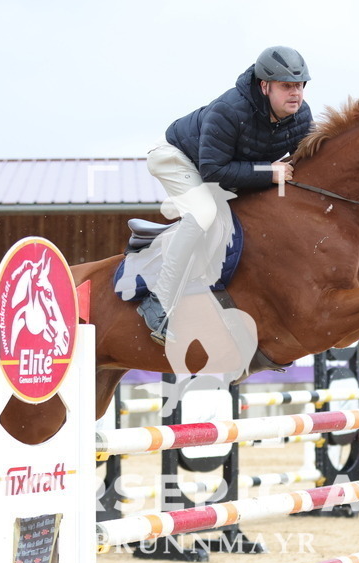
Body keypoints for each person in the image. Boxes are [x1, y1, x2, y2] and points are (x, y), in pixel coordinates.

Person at [136, 46, 314, 345]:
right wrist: (268, 173)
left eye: (299, 85)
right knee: (203, 214)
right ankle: (158, 299)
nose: (295, 93)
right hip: (176, 157)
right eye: (286, 86)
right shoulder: (230, 110)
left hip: (219, 167)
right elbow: (213, 171)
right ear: (265, 86)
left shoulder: (301, 117)